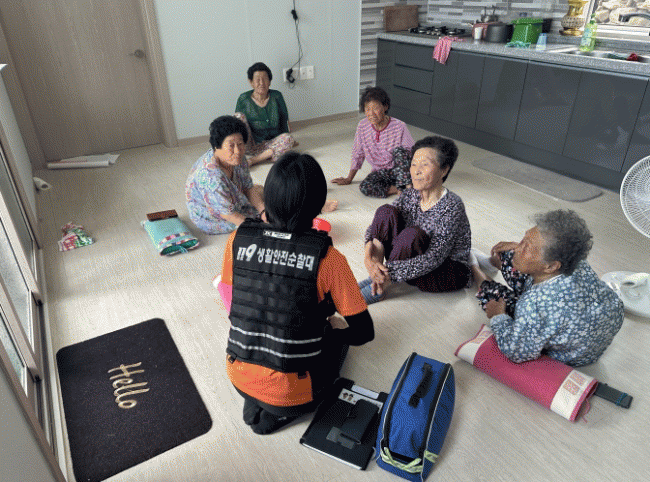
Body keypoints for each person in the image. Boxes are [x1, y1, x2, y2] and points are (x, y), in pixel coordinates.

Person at [217, 151, 374, 435]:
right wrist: (332, 332)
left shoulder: (237, 239)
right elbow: (364, 332)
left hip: (237, 372)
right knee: (336, 334)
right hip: (292, 391)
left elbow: (232, 295)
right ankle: (283, 409)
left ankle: (258, 398)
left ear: (268, 197)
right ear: (318, 204)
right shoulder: (327, 259)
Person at [471, 209, 624, 367]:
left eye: (526, 247)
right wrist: (523, 246)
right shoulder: (574, 261)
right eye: (523, 240)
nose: (518, 248)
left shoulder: (534, 304)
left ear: (551, 266)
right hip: (585, 323)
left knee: (493, 297)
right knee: (510, 255)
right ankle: (489, 263)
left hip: (569, 354)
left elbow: (516, 352)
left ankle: (473, 266)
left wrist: (498, 316)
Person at [359, 135, 472, 304]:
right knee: (385, 211)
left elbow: (433, 258)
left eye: (424, 165)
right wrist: (369, 256)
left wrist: (391, 272)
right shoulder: (410, 194)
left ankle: (381, 284)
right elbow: (377, 226)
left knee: (412, 234)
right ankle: (377, 275)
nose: (416, 171)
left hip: (445, 269)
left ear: (444, 170)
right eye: (413, 164)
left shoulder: (452, 205)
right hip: (411, 258)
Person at [185, 115, 264, 234]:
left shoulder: (237, 158)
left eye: (240, 144)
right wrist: (257, 227)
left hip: (229, 198)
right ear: (217, 146)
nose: (237, 151)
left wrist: (264, 212)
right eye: (231, 146)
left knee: (262, 196)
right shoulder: (211, 177)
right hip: (213, 216)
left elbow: (248, 187)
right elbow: (228, 214)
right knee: (258, 222)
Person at [332, 86, 414, 198]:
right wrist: (349, 178)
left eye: (375, 108)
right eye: (367, 109)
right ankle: (397, 189)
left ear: (385, 107)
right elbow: (358, 153)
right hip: (380, 173)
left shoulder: (399, 126)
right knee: (364, 186)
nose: (371, 113)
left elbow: (412, 153)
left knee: (402, 152)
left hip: (400, 172)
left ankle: (406, 185)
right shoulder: (362, 126)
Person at [235, 62, 295, 166]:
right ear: (251, 82)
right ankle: (270, 155)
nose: (261, 83)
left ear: (270, 81)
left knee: (288, 139)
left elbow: (284, 120)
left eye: (265, 79)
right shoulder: (243, 99)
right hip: (250, 144)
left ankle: (254, 160)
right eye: (257, 80)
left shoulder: (277, 96)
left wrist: (286, 140)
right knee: (238, 117)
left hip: (272, 143)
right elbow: (235, 127)